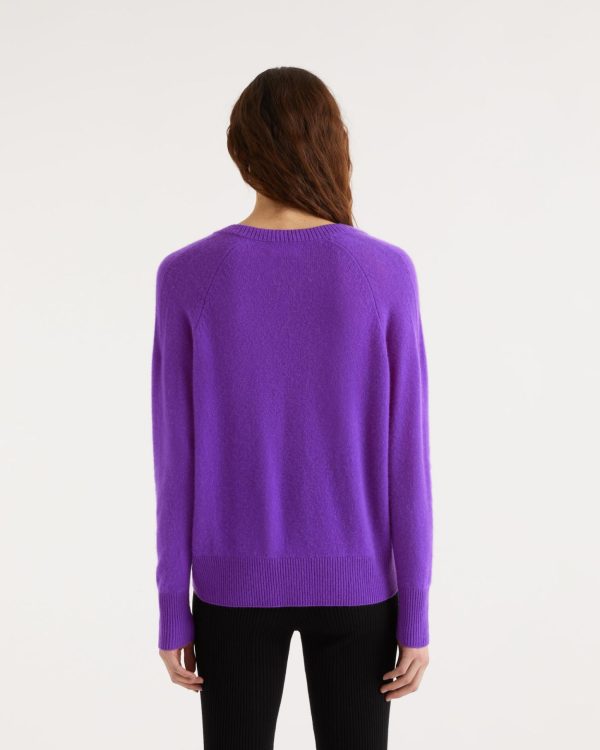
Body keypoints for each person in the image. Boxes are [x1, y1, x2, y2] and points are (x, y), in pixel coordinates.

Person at [151, 66, 434, 750]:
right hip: (359, 587)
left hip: (232, 587)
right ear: (333, 145)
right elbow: (408, 457)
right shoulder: (385, 271)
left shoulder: (187, 274)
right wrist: (416, 613)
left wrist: (172, 609)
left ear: (240, 149)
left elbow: (175, 458)